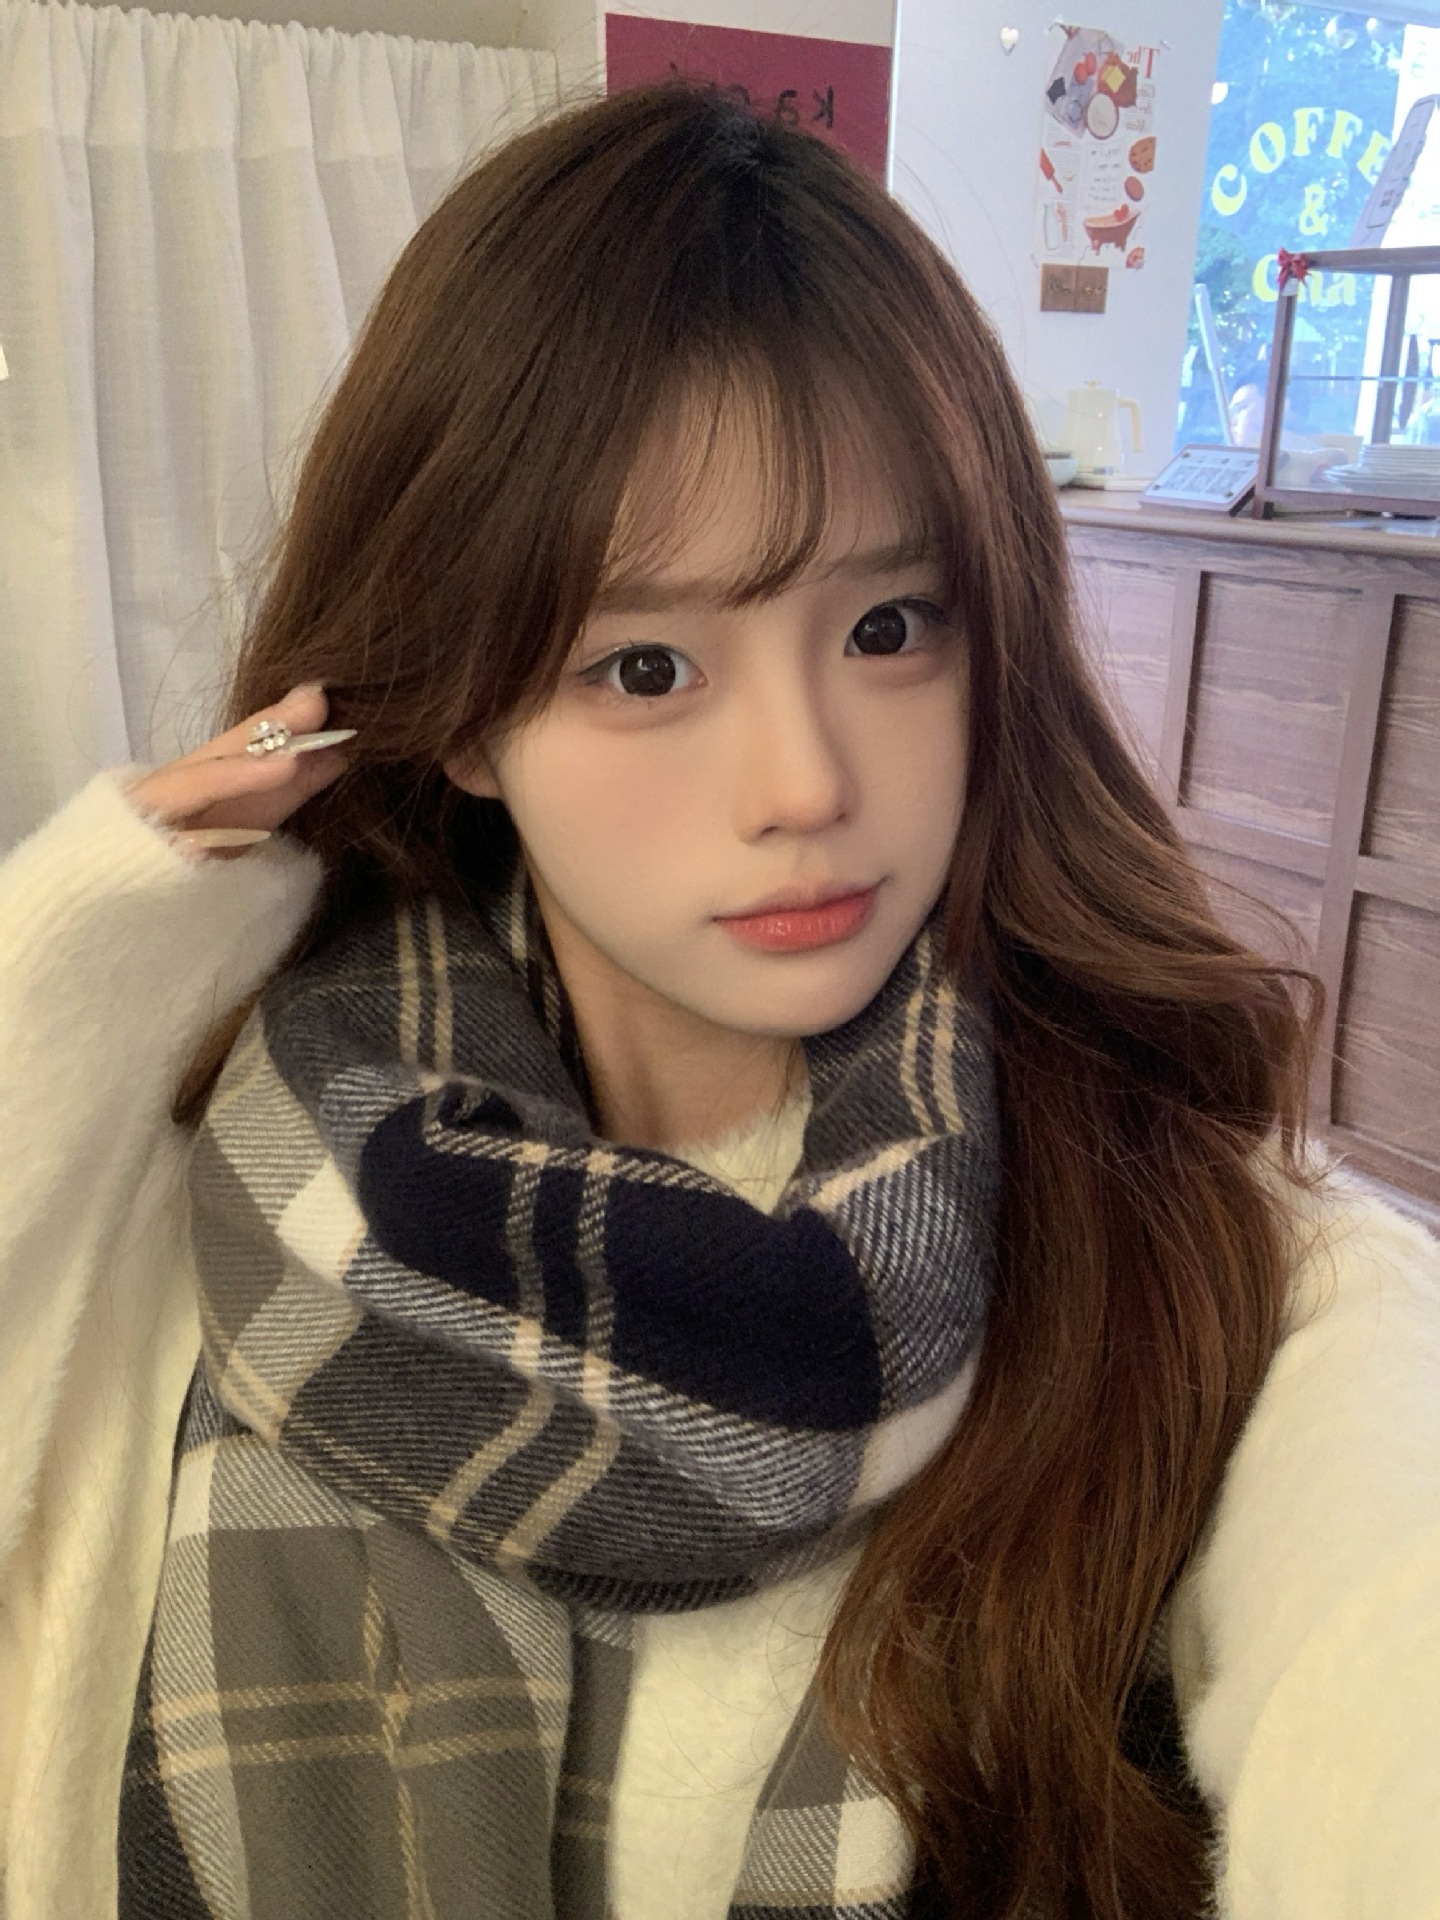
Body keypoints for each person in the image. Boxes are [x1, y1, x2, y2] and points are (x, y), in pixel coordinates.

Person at [2, 79, 1439, 1920]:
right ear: (460, 711)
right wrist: (87, 937)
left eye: (888, 629)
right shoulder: (202, 1196)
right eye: (648, 666)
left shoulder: (1227, 1276)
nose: (805, 781)